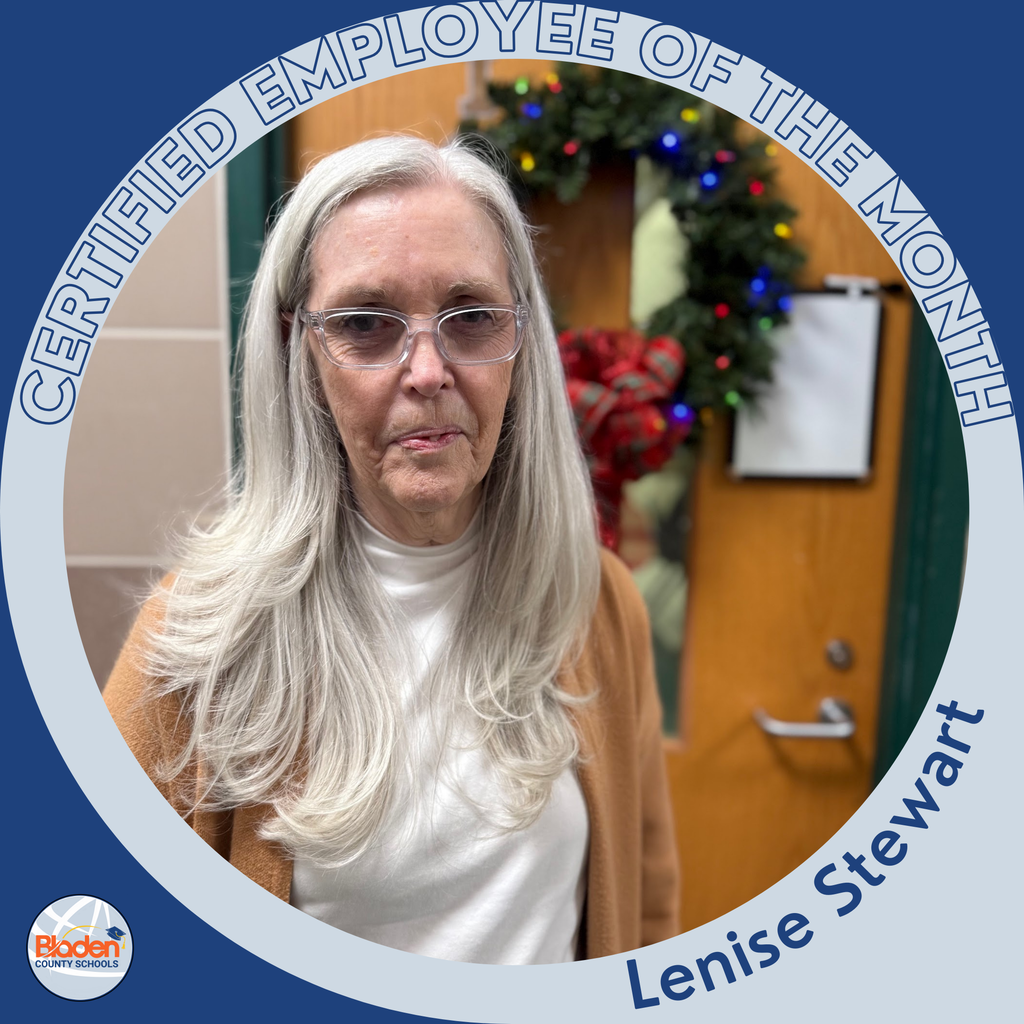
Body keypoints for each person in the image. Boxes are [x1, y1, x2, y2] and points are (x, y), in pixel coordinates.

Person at [104, 134, 679, 964]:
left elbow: (647, 899)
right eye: (367, 324)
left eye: (472, 316)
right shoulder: (198, 643)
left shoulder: (594, 601)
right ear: (301, 353)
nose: (427, 370)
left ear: (522, 335)